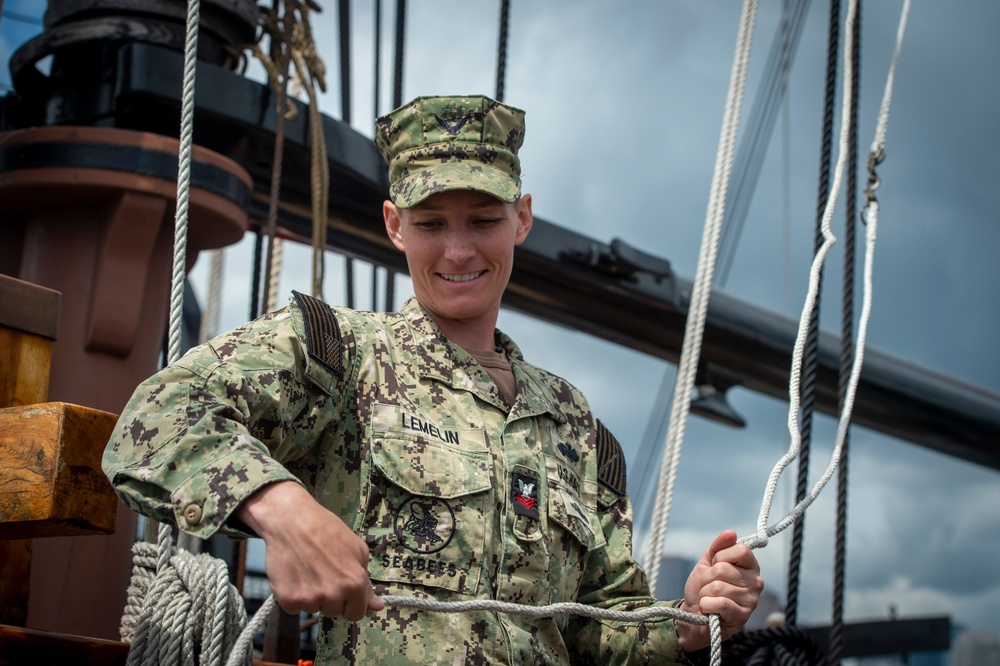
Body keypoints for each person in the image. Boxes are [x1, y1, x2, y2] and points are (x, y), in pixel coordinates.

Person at [104, 94, 762, 664]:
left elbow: (601, 634)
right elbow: (155, 419)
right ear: (394, 224)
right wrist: (284, 511)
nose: (458, 251)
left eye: (483, 220)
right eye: (430, 224)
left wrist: (692, 621)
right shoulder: (338, 355)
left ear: (522, 218)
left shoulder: (577, 429)